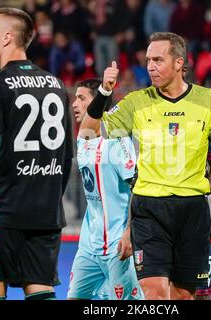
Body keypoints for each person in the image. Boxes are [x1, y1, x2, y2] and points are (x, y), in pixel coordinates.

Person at [80, 32, 211, 300]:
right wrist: (105, 91)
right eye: (147, 60)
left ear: (179, 63)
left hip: (192, 210)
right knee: (154, 294)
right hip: (149, 210)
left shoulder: (208, 100)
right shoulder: (136, 102)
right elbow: (92, 128)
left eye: (158, 59)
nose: (150, 66)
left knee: (184, 296)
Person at [0, 8, 73, 300]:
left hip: (1, 213)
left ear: (7, 38)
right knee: (41, 292)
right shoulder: (56, 85)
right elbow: (66, 154)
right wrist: (51, 198)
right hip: (46, 213)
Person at [67, 78, 143, 300]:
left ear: (98, 104)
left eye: (81, 98)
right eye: (75, 97)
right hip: (89, 245)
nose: (74, 104)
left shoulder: (118, 143)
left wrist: (130, 233)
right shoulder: (83, 141)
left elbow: (137, 189)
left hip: (117, 245)